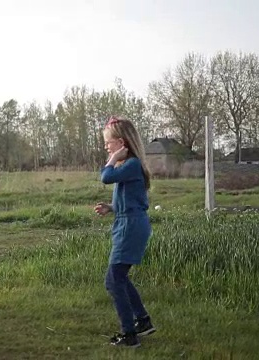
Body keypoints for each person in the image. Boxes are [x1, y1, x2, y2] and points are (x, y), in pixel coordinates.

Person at [94, 116, 156, 348]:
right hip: (128, 222)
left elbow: (105, 177)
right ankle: (143, 321)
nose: (106, 147)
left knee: (113, 280)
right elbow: (130, 199)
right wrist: (111, 207)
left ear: (121, 142)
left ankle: (129, 334)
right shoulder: (130, 166)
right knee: (119, 277)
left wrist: (113, 158)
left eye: (108, 143)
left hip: (131, 226)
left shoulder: (129, 164)